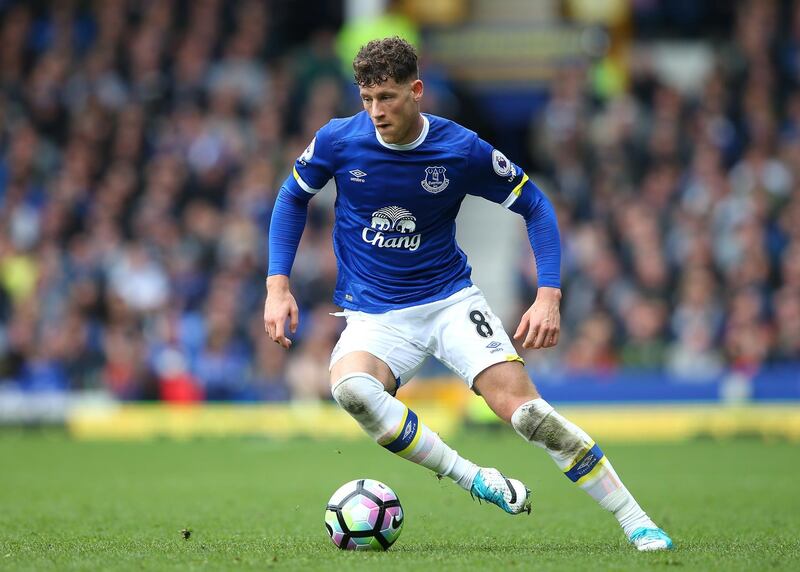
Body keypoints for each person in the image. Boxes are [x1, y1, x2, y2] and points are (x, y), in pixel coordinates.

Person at [264, 37, 673, 551]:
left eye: (387, 97)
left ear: (417, 91)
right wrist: (277, 285)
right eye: (366, 99)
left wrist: (548, 294)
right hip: (374, 315)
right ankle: (473, 478)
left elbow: (537, 205)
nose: (375, 112)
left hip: (450, 303)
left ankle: (637, 521)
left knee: (531, 416)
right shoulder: (338, 140)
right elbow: (291, 197)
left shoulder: (460, 149)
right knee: (351, 390)